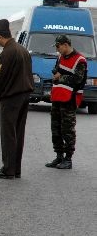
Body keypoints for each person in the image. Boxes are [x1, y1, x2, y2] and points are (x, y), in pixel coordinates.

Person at [0, 19, 34, 179]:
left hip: (11, 98)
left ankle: (8, 169)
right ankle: (16, 169)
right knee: (18, 133)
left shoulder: (6, 53)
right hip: (24, 96)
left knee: (8, 134)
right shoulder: (23, 50)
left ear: (0, 36)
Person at [45, 35, 87, 170]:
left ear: (65, 45)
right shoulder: (60, 57)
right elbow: (56, 73)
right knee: (55, 129)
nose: (57, 50)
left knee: (67, 130)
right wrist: (56, 75)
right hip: (57, 97)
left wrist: (60, 77)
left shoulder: (80, 60)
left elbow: (78, 79)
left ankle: (68, 159)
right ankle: (59, 156)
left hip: (69, 100)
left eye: (58, 47)